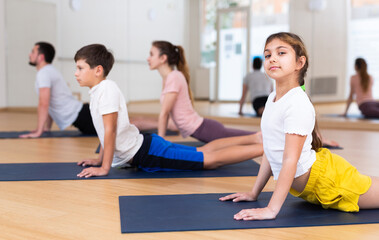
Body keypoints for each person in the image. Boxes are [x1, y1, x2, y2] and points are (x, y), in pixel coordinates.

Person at [220, 32, 379, 221]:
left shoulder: (297, 103)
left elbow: (289, 160)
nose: (272, 59)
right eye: (268, 55)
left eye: (281, 53)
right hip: (312, 189)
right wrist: (254, 193)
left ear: (299, 63)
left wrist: (271, 209)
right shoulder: (272, 99)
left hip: (330, 180)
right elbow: (271, 152)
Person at [73, 44, 263, 178]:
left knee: (208, 159)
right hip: (146, 146)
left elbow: (110, 131)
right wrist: (99, 160)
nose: (76, 73)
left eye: (80, 68)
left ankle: (266, 148)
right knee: (201, 151)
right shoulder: (99, 91)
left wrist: (104, 168)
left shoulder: (106, 89)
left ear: (98, 70)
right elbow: (104, 131)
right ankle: (259, 140)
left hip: (146, 152)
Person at [130, 40, 258, 143]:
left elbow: (164, 114)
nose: (148, 58)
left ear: (163, 58)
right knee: (249, 138)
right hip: (202, 129)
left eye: (151, 54)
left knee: (252, 138)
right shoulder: (170, 78)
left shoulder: (174, 77)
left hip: (204, 129)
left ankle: (271, 139)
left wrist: (160, 142)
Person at [20, 42, 95, 138]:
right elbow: (50, 104)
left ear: (41, 57)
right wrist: (46, 128)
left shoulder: (44, 73)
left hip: (84, 117)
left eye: (33, 52)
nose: (29, 54)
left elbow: (44, 103)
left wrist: (39, 131)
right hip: (82, 115)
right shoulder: (48, 71)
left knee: (114, 131)